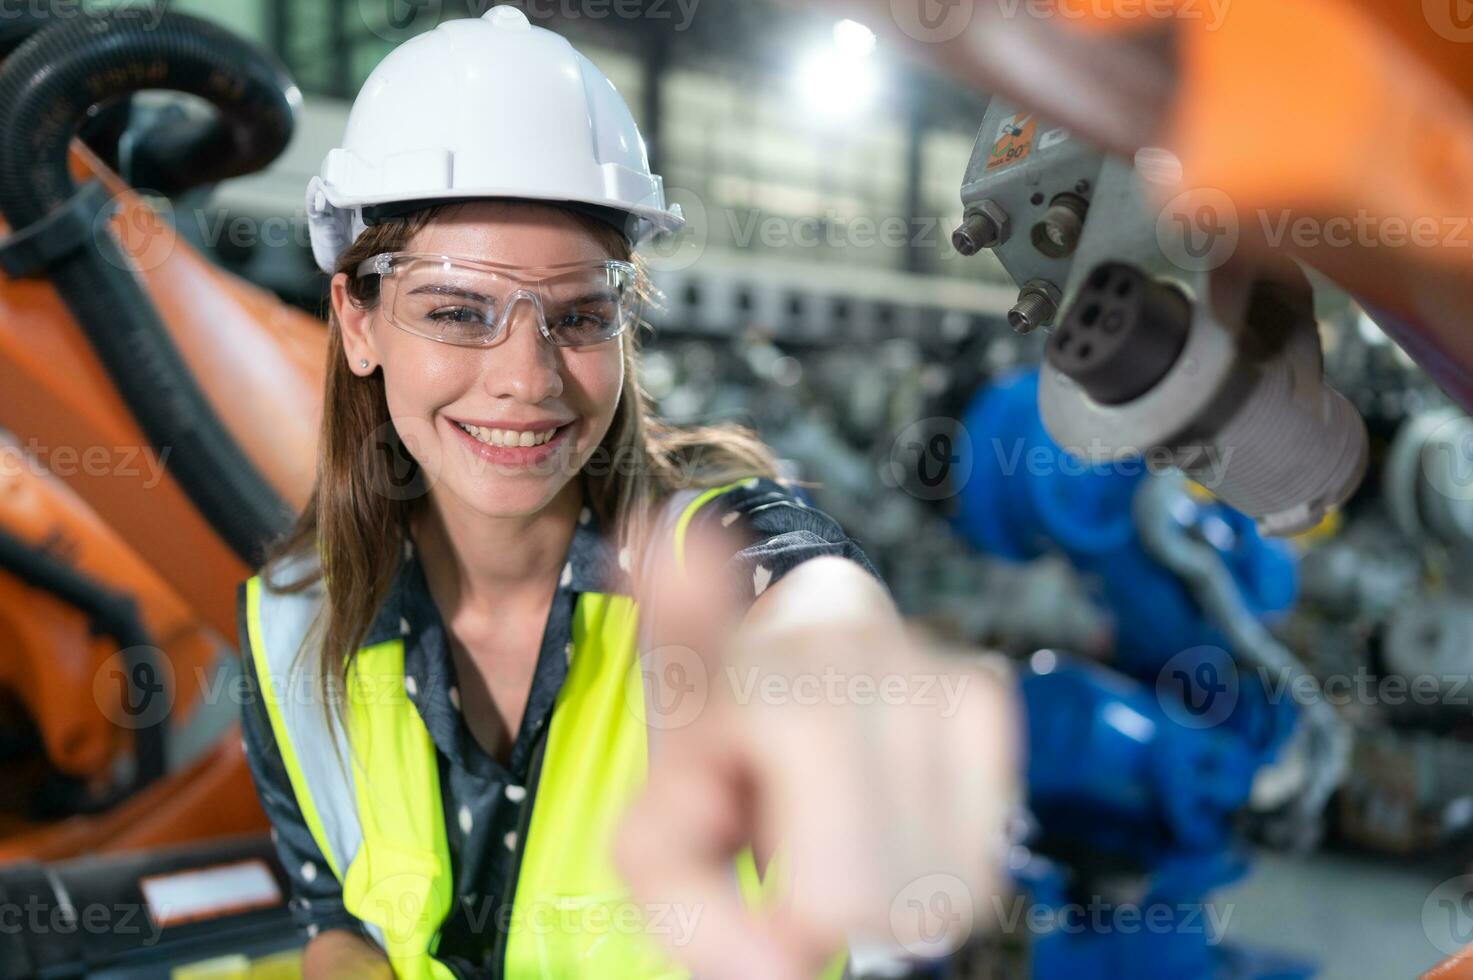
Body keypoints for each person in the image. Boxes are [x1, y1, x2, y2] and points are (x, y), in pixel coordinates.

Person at [238, 8, 1019, 980]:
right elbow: (335, 909)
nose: (528, 378)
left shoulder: (706, 559)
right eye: (456, 310)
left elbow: (804, 588)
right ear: (358, 320)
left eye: (578, 314)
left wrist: (842, 658)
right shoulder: (290, 627)